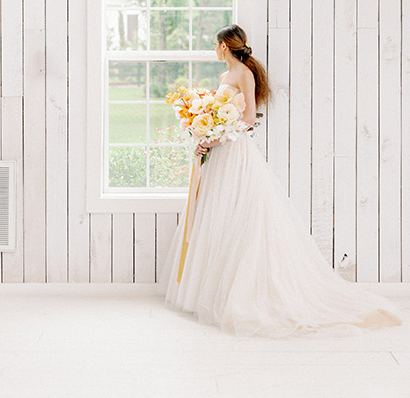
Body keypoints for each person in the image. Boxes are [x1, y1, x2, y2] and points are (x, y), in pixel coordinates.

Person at [156, 24, 404, 338]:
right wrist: (205, 134)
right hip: (220, 153)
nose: (214, 49)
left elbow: (247, 119)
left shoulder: (243, 73)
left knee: (243, 217)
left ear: (224, 46)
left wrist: (216, 138)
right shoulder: (223, 78)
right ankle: (212, 290)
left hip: (235, 151)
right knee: (219, 216)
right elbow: (224, 114)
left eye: (216, 44)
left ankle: (249, 294)